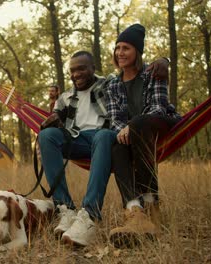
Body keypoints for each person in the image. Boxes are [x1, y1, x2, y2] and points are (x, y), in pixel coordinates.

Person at [38, 50, 168, 247]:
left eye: (81, 68)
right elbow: (54, 116)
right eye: (72, 71)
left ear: (93, 68)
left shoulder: (109, 83)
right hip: (77, 139)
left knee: (103, 135)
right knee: (46, 136)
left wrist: (163, 60)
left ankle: (90, 215)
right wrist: (54, 116)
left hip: (105, 137)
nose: (76, 74)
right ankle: (65, 209)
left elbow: (136, 73)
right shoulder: (65, 98)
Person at [105, 24, 181, 248]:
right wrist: (125, 129)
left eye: (126, 47)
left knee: (138, 123)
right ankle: (135, 212)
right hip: (131, 135)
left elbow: (158, 107)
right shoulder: (112, 85)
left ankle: (152, 208)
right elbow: (114, 118)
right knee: (117, 147)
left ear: (137, 51)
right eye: (117, 47)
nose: (120, 52)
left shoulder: (153, 73)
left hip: (159, 126)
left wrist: (132, 126)